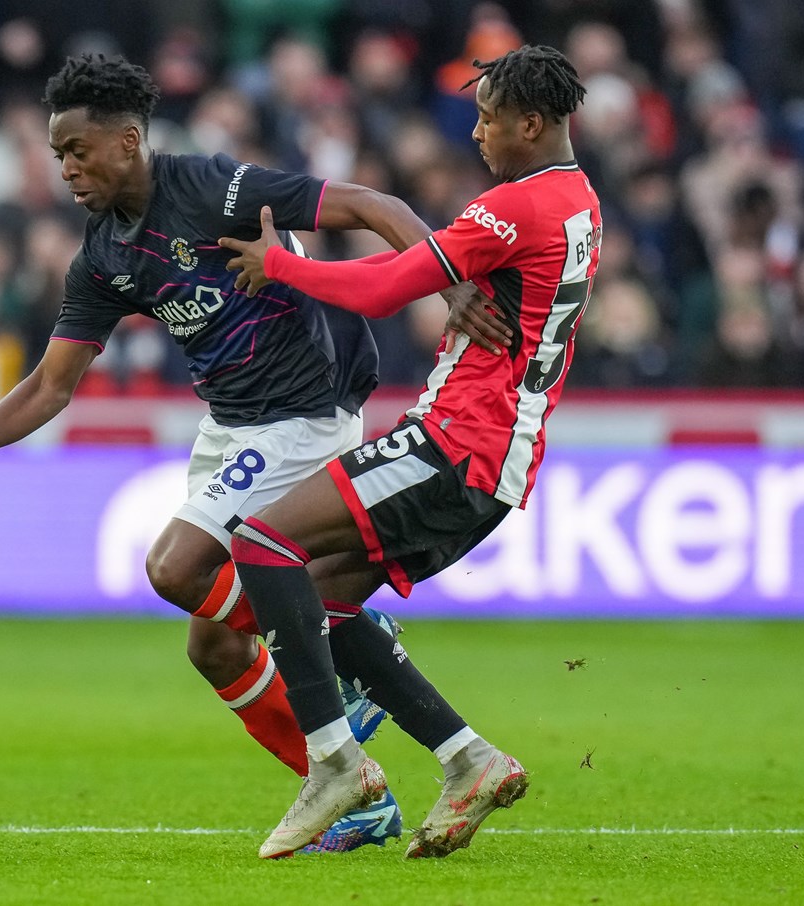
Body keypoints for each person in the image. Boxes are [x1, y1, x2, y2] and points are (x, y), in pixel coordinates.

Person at [0, 53, 511, 854]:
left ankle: (339, 663)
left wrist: (447, 283)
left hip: (305, 407)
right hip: (231, 422)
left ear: (127, 141)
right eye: (57, 156)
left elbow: (371, 202)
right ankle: (356, 787)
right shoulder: (103, 256)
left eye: (77, 151)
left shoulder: (213, 189)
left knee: (175, 568)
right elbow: (52, 386)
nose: (66, 169)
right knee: (213, 640)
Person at [217, 44, 600, 859]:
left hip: (455, 444)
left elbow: (386, 286)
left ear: (531, 124)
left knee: (261, 542)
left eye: (490, 119)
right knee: (324, 599)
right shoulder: (578, 202)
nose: (477, 133)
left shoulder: (517, 206)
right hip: (498, 461)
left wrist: (279, 264)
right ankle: (469, 760)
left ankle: (334, 764)